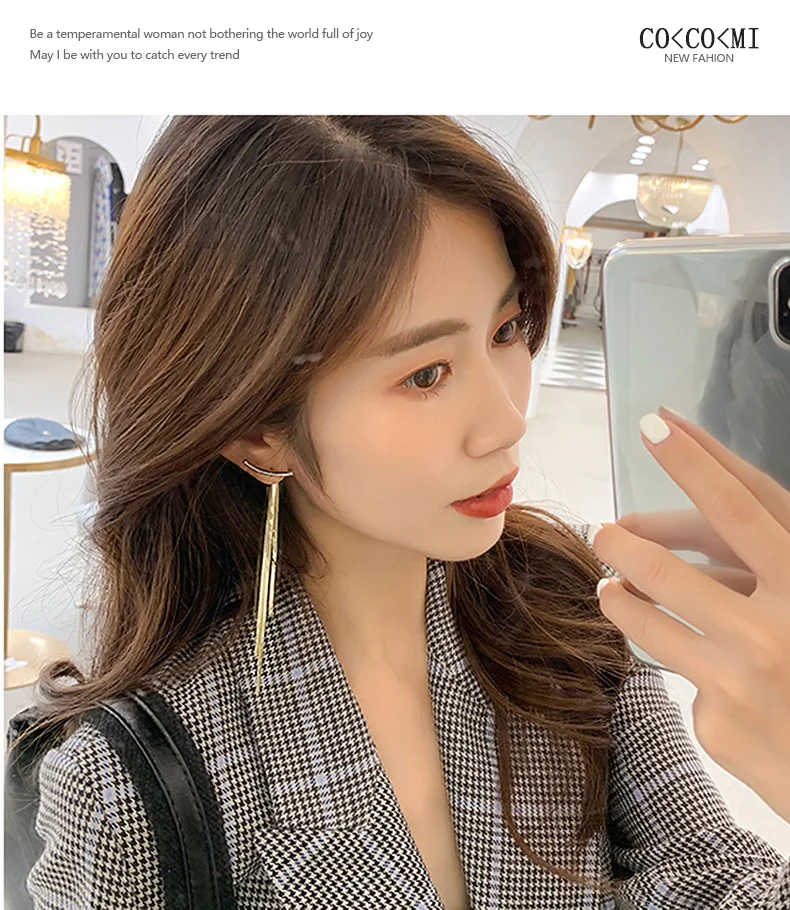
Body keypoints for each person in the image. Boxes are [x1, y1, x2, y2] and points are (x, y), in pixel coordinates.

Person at [15, 116, 790, 909]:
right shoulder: (129, 785)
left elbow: (713, 875)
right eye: (426, 374)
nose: (508, 422)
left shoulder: (567, 602)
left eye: (506, 330)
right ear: (257, 431)